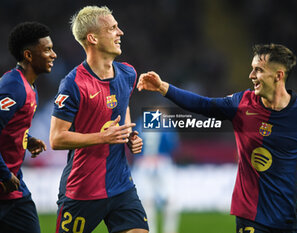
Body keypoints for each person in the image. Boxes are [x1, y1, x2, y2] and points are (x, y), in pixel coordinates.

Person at [137, 44, 297, 233]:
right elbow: (204, 104)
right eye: (252, 69)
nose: (251, 75)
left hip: (286, 215)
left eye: (258, 70)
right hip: (249, 214)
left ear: (278, 75)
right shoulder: (242, 104)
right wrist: (164, 87)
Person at [49, 6, 148, 233]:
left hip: (121, 186)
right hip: (81, 191)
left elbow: (123, 112)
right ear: (92, 38)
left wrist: (129, 136)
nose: (120, 32)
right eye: (112, 28)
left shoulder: (128, 73)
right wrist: (103, 137)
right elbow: (56, 138)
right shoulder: (72, 83)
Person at [0, 22, 56, 233]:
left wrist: (27, 138)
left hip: (13, 192)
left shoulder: (29, 87)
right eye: (48, 49)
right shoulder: (13, 87)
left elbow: (9, 127)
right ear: (29, 55)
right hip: (6, 182)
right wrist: (4, 174)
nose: (54, 55)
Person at [132, 114, 180, 233]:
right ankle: (169, 230)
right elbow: (173, 146)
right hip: (162, 163)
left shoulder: (140, 123)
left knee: (147, 201)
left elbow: (131, 145)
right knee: (170, 200)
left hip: (143, 163)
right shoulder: (166, 125)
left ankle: (150, 230)